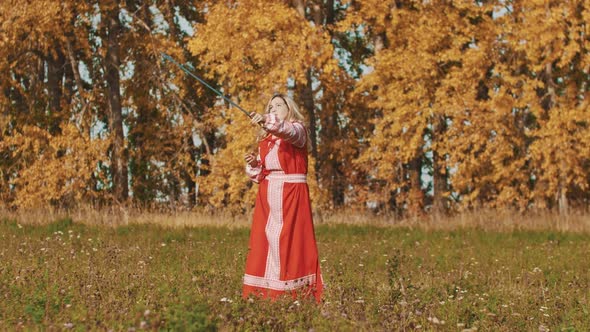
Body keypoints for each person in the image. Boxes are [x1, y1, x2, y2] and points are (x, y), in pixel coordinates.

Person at [242, 93, 323, 303]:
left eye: (279, 105)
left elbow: (286, 130)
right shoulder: (267, 140)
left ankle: (294, 295)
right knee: (266, 244)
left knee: (289, 243)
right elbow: (260, 175)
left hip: (291, 195)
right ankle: (264, 295)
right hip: (268, 196)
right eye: (271, 107)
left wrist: (266, 120)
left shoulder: (298, 130)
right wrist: (253, 164)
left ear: (290, 109)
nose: (274, 108)